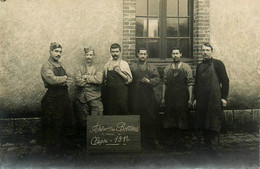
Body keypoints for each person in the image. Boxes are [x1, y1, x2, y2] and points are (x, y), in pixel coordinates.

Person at [41, 42, 75, 155]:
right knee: (55, 124)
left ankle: (65, 150)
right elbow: (51, 80)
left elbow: (69, 77)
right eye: (56, 51)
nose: (58, 54)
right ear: (50, 52)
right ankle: (54, 153)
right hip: (53, 98)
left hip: (64, 96)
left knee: (68, 121)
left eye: (60, 51)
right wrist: (64, 79)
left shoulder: (61, 64)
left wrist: (63, 79)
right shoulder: (46, 65)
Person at [193, 42, 229, 150]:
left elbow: (225, 81)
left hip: (214, 98)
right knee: (203, 121)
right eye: (203, 50)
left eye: (207, 50)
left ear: (212, 52)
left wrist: (223, 97)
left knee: (214, 121)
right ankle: (205, 146)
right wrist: (195, 98)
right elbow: (196, 83)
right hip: (202, 98)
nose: (205, 52)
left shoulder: (218, 64)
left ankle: (214, 147)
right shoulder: (199, 66)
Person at [161, 47, 194, 149]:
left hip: (182, 98)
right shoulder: (167, 68)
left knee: (182, 118)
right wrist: (163, 98)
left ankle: (183, 142)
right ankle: (171, 143)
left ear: (180, 54)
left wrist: (190, 98)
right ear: (171, 55)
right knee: (170, 118)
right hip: (170, 98)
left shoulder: (186, 67)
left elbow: (190, 83)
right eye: (173, 53)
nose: (175, 55)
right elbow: (164, 84)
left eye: (177, 53)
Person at [129, 47, 161, 148]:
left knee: (150, 117)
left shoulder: (152, 67)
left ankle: (152, 139)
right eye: (141, 54)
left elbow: (157, 79)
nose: (142, 56)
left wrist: (149, 81)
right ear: (137, 55)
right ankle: (136, 140)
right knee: (136, 117)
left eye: (144, 54)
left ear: (147, 55)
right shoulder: (132, 67)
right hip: (135, 97)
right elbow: (128, 80)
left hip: (148, 97)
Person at [75, 46, 103, 137]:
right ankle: (83, 143)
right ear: (84, 55)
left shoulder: (98, 67)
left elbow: (99, 80)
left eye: (91, 55)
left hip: (95, 97)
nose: (89, 57)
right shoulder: (80, 67)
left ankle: (95, 144)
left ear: (93, 56)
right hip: (82, 98)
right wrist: (92, 80)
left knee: (96, 121)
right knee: (83, 122)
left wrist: (86, 77)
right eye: (87, 54)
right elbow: (78, 81)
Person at [103, 43, 132, 115]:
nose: (115, 54)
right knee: (110, 112)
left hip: (121, 94)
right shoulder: (107, 65)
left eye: (116, 51)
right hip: (110, 94)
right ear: (110, 52)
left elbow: (129, 80)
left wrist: (119, 72)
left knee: (122, 111)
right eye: (113, 52)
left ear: (120, 52)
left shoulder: (124, 64)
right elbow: (105, 80)